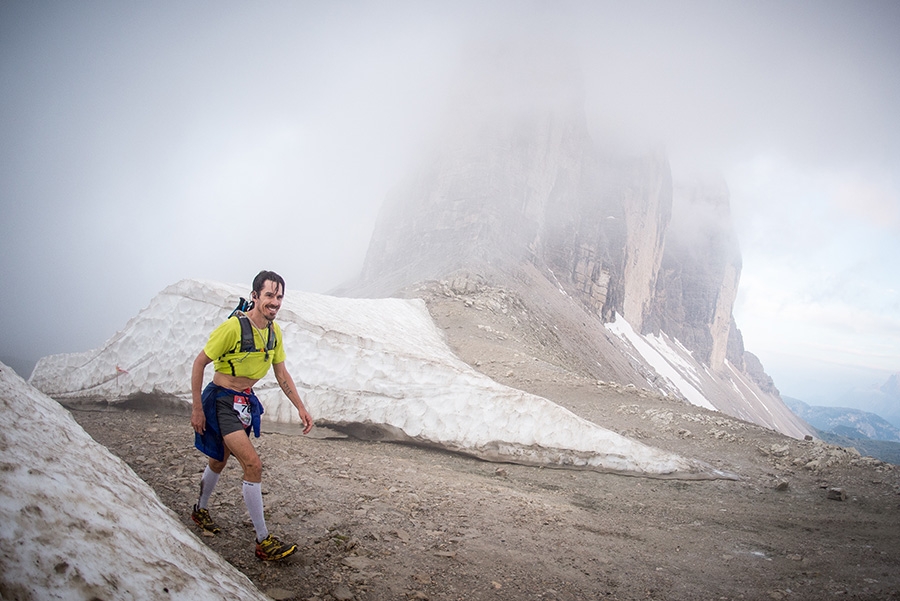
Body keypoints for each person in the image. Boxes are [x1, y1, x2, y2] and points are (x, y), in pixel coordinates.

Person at [189, 270, 313, 561]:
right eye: (269, 295)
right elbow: (200, 363)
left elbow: (281, 373)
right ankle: (263, 541)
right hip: (221, 401)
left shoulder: (273, 332)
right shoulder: (233, 328)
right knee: (253, 464)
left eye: (279, 296)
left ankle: (199, 510)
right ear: (255, 296)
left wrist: (300, 407)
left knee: (219, 460)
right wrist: (196, 408)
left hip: (243, 402)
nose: (275, 302)